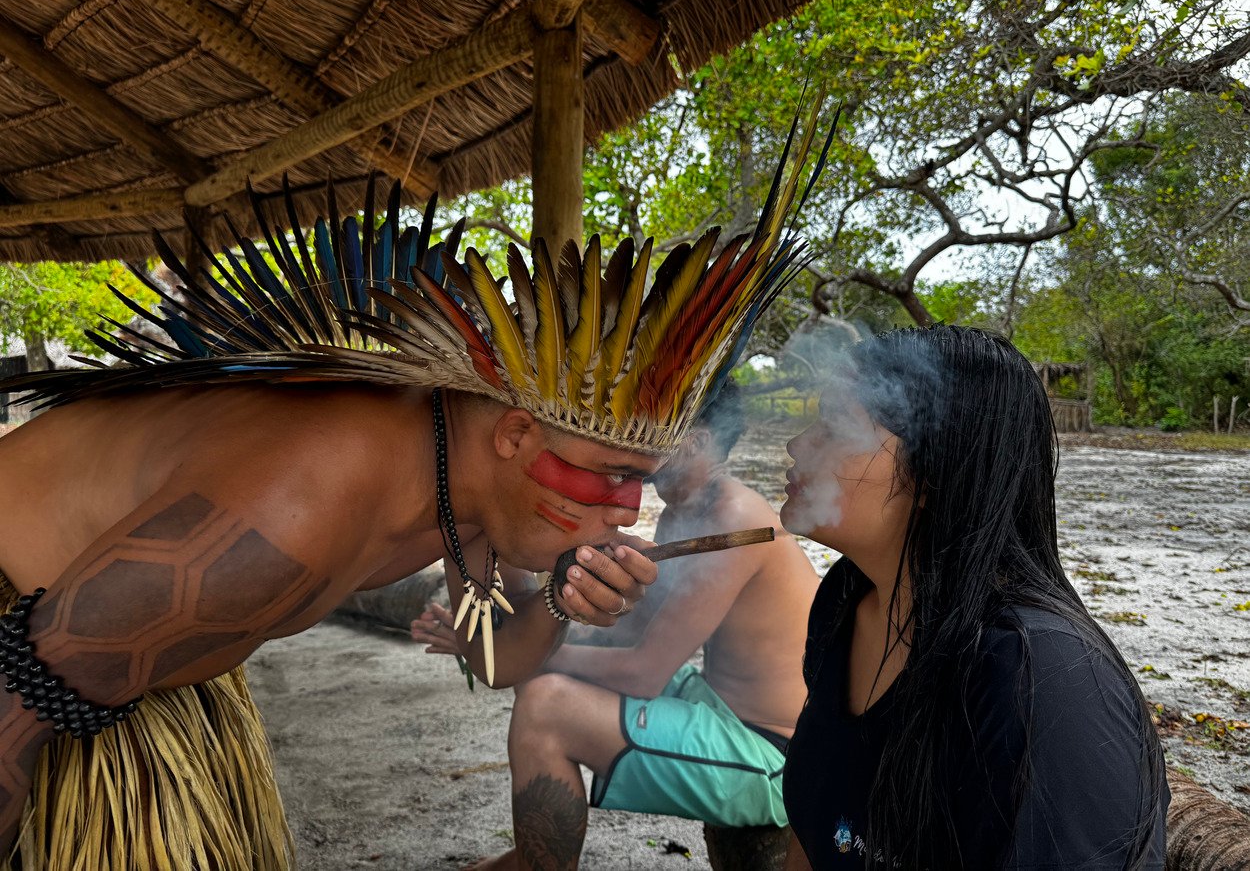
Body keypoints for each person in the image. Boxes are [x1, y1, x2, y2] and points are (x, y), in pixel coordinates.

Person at [0, 138, 817, 869]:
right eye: (608, 477)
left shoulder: (476, 504)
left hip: (113, 677)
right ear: (516, 435)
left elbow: (498, 664)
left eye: (638, 480)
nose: (627, 508)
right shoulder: (295, 511)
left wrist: (567, 604)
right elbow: (14, 702)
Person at [779, 325, 1169, 869]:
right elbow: (814, 830)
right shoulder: (845, 599)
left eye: (838, 426)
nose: (797, 444)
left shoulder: (1038, 679)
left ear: (934, 471)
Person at [413, 380, 819, 870]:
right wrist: (510, 634)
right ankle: (534, 858)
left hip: (774, 756)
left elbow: (642, 671)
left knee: (546, 706)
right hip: (719, 708)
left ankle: (534, 864)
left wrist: (501, 652)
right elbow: (628, 631)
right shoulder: (685, 513)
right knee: (544, 681)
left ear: (696, 441)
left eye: (654, 438)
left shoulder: (734, 518)